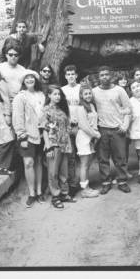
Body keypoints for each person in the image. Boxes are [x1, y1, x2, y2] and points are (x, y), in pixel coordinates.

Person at [91, 66, 132, 194]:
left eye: (107, 74)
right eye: (102, 75)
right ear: (99, 77)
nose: (104, 77)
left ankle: (122, 181)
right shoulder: (94, 92)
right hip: (102, 129)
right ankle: (106, 182)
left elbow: (128, 109)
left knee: (120, 157)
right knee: (103, 158)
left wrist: (125, 125)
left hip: (117, 129)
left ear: (111, 75)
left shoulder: (119, 90)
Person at [12, 71, 46, 208]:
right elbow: (17, 117)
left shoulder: (41, 95)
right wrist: (21, 135)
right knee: (28, 162)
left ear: (36, 80)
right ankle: (31, 193)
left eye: (32, 77)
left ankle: (39, 191)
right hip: (27, 134)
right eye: (27, 78)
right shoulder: (20, 97)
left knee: (38, 161)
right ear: (23, 81)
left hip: (42, 133)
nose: (30, 79)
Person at [40, 85, 74, 209]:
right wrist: (48, 146)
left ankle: (64, 193)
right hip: (53, 144)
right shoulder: (46, 110)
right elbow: (44, 129)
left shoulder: (62, 109)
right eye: (55, 94)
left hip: (64, 144)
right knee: (53, 172)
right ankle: (55, 196)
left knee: (64, 171)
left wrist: (68, 129)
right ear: (49, 95)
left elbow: (67, 125)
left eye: (59, 94)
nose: (57, 96)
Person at [74, 84, 101, 198]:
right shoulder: (81, 108)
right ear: (81, 95)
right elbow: (84, 126)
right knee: (84, 164)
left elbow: (93, 122)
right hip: (84, 138)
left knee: (88, 164)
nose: (88, 95)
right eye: (85, 93)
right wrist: (96, 134)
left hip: (91, 138)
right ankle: (84, 190)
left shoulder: (91, 106)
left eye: (90, 93)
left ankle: (87, 186)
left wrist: (94, 135)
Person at [61, 65, 81, 196]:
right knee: (71, 157)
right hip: (68, 127)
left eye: (73, 74)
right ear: (65, 76)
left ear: (76, 75)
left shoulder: (81, 88)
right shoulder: (62, 90)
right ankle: (73, 184)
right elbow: (61, 108)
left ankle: (85, 181)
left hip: (81, 127)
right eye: (68, 74)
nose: (71, 76)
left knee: (85, 155)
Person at [0, 42, 28, 125]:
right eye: (10, 54)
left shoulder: (23, 70)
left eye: (16, 55)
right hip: (3, 102)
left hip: (18, 103)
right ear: (6, 55)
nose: (13, 57)